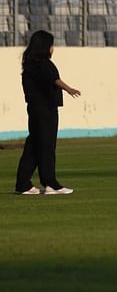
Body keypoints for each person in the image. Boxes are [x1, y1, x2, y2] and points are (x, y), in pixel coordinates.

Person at [15, 30, 81, 195]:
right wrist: (69, 89)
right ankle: (50, 183)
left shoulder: (29, 64)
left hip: (34, 108)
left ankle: (23, 184)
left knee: (33, 146)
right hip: (46, 110)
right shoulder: (44, 64)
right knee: (47, 146)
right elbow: (54, 80)